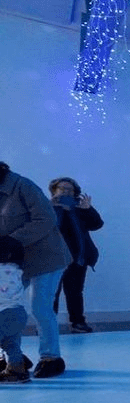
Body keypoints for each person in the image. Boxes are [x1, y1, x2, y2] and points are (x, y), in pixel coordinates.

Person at [0, 162, 70, 379]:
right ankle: (13, 358)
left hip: (46, 257)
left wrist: (13, 240)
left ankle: (51, 357)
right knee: (4, 307)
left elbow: (46, 219)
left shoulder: (23, 186)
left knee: (40, 307)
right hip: (13, 262)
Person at [49, 177, 103, 334]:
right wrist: (53, 208)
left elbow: (97, 224)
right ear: (54, 190)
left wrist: (88, 209)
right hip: (53, 259)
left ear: (75, 193)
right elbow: (41, 227)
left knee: (75, 293)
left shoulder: (80, 208)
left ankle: (78, 323)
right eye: (62, 189)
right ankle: (48, 326)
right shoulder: (46, 207)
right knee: (51, 293)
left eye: (69, 190)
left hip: (77, 258)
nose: (65, 192)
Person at [0, 237, 30, 383]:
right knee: (11, 343)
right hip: (18, 313)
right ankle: (17, 370)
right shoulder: (18, 271)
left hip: (2, 314)